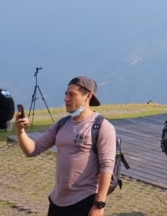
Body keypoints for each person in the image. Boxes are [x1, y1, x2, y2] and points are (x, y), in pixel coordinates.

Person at [15, 76, 116, 216]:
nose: (66, 99)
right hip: (57, 202)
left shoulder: (102, 127)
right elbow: (32, 150)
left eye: (72, 94)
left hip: (85, 201)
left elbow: (107, 167)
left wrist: (99, 205)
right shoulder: (61, 124)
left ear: (88, 96)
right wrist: (20, 131)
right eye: (66, 94)